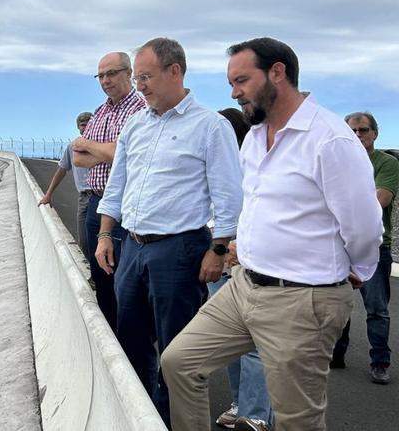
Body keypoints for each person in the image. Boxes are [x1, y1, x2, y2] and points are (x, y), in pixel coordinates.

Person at [161, 37, 383, 431]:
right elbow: (257, 205)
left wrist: (359, 271)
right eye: (232, 82)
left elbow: (364, 225)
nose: (234, 92)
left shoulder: (329, 139)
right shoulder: (254, 137)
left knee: (297, 420)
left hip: (301, 299)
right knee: (180, 362)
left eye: (242, 80)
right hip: (244, 286)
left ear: (277, 73)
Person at [94, 37, 243, 425]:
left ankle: (169, 419)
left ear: (174, 71)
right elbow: (118, 185)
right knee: (131, 339)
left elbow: (229, 194)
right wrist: (105, 234)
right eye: (138, 78)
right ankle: (138, 413)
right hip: (133, 247)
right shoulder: (135, 125)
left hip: (179, 250)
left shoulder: (211, 126)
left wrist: (219, 248)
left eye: (145, 77)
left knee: (177, 349)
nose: (139, 85)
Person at [71, 52, 146, 328]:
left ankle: (127, 343)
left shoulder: (138, 109)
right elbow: (77, 156)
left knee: (123, 278)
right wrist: (108, 151)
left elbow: (122, 153)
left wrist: (96, 147)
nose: (105, 80)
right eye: (100, 75)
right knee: (100, 275)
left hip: (122, 207)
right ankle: (108, 334)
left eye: (112, 73)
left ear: (129, 74)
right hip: (95, 204)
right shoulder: (101, 111)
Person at [211, 108, 274, 430]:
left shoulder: (255, 166)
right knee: (230, 344)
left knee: (252, 346)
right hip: (219, 263)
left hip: (250, 265)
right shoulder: (214, 166)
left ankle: (257, 414)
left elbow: (265, 212)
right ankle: (240, 405)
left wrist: (239, 246)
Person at [330, 111, 398, 385]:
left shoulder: (386, 163)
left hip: (374, 247)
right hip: (339, 247)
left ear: (375, 133)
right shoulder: (337, 163)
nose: (358, 135)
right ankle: (337, 353)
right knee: (339, 305)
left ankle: (380, 362)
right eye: (353, 131)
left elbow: (378, 202)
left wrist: (340, 204)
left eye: (364, 130)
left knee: (376, 309)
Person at [39, 112, 94, 270]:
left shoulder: (101, 145)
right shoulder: (72, 147)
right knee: (84, 241)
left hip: (102, 196)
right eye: (82, 125)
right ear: (78, 128)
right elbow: (61, 170)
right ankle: (93, 274)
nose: (85, 127)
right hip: (84, 197)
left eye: (88, 123)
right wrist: (48, 194)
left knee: (105, 239)